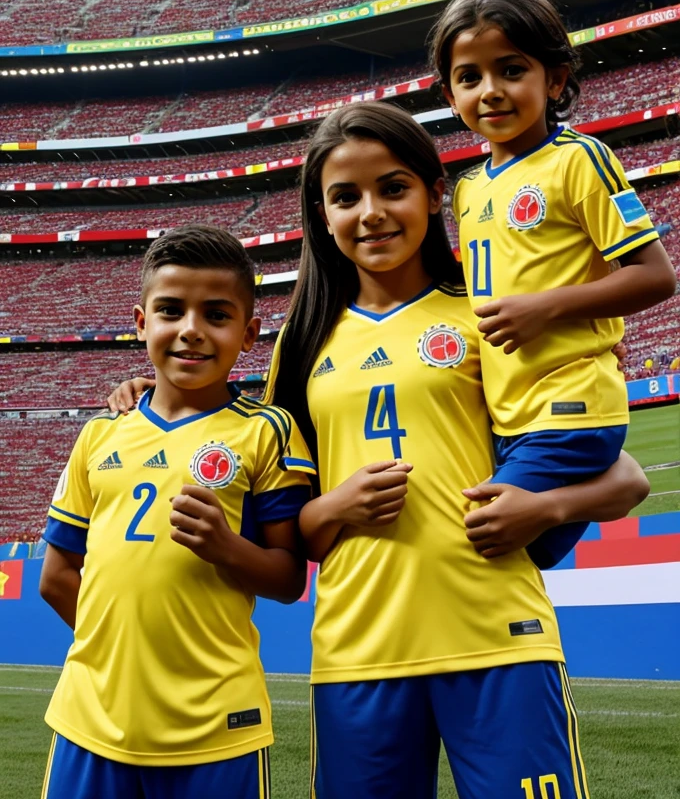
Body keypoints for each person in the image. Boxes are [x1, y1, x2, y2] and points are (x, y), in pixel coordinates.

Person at [108, 105, 648, 799]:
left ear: (433, 192)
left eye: (392, 188)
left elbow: (623, 476)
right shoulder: (299, 350)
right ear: (322, 215)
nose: (371, 213)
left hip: (498, 637)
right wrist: (335, 504)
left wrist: (545, 507)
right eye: (345, 197)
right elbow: (290, 539)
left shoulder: (492, 315)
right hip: (356, 655)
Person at [39, 225, 315, 799]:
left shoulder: (267, 432)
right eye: (171, 311)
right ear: (141, 322)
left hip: (218, 722)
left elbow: (289, 578)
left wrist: (226, 548)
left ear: (249, 333)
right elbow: (57, 577)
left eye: (216, 315)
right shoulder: (99, 433)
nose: (191, 331)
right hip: (90, 717)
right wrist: (120, 657)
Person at [431, 0, 676, 568]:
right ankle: (621, 482)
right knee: (503, 548)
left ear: (556, 80)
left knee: (481, 544)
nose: (490, 91)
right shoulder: (467, 189)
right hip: (505, 411)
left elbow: (656, 276)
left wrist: (543, 308)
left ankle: (610, 486)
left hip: (568, 406)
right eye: (469, 78)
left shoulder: (579, 160)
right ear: (450, 94)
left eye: (511, 70)